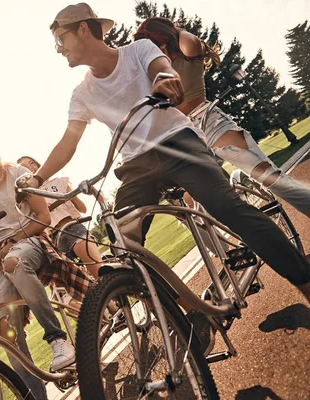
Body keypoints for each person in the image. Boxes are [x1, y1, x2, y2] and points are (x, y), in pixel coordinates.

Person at [26, 1, 310, 315]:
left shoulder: (139, 50)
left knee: (228, 209)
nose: (58, 49)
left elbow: (161, 69)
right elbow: (69, 141)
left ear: (82, 29)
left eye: (60, 40)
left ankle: (305, 281)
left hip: (179, 145)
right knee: (123, 242)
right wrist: (36, 179)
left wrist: (165, 80)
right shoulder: (82, 93)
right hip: (137, 167)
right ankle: (185, 316)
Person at [133, 16, 310, 218]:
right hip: (183, 136)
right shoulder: (156, 71)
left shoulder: (188, 54)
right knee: (194, 209)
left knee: (269, 177)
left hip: (210, 122)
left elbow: (189, 42)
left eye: (155, 44)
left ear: (164, 39)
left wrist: (171, 30)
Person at [0, 136, 93, 399]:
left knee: (16, 263)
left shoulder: (20, 175)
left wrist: (14, 241)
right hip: (2, 257)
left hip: (31, 238)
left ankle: (56, 338)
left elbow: (43, 218)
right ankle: (35, 395)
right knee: (7, 333)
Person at [17, 155, 103, 279]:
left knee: (99, 272)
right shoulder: (28, 197)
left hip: (72, 228)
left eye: (32, 163)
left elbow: (82, 209)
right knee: (78, 286)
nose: (31, 168)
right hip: (53, 239)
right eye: (24, 167)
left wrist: (72, 196)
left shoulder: (60, 182)